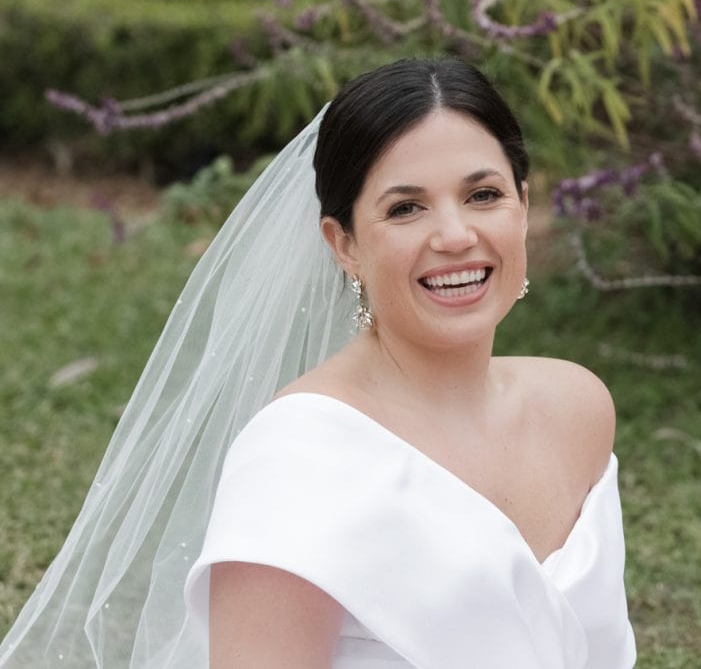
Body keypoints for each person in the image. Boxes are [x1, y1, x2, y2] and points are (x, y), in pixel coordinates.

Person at [0, 57, 635, 668]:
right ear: (344, 244)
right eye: (405, 207)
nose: (454, 235)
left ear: (522, 206)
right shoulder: (300, 459)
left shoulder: (577, 407)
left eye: (483, 194)